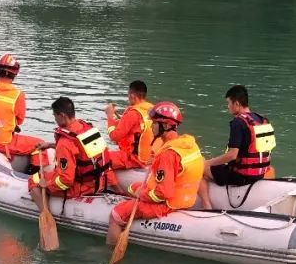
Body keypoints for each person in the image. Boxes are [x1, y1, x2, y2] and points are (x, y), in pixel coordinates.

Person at [106, 102, 204, 247]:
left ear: (164, 126)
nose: (151, 127)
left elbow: (162, 193)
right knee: (133, 187)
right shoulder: (188, 144)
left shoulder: (168, 154)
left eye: (154, 124)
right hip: (183, 198)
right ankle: (132, 198)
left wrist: (143, 195)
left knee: (115, 214)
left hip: (166, 204)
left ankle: (109, 253)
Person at [199, 84, 276, 207]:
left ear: (237, 104)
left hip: (241, 176)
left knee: (199, 168)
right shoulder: (262, 120)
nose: (227, 107)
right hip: (260, 173)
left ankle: (206, 206)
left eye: (228, 103)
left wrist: (208, 163)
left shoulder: (238, 122)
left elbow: (232, 155)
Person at [104, 80, 155, 170]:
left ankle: (113, 183)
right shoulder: (152, 109)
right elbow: (137, 127)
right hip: (149, 158)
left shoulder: (133, 113)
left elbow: (114, 136)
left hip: (133, 159)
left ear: (132, 95)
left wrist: (109, 116)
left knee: (101, 158)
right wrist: (121, 119)